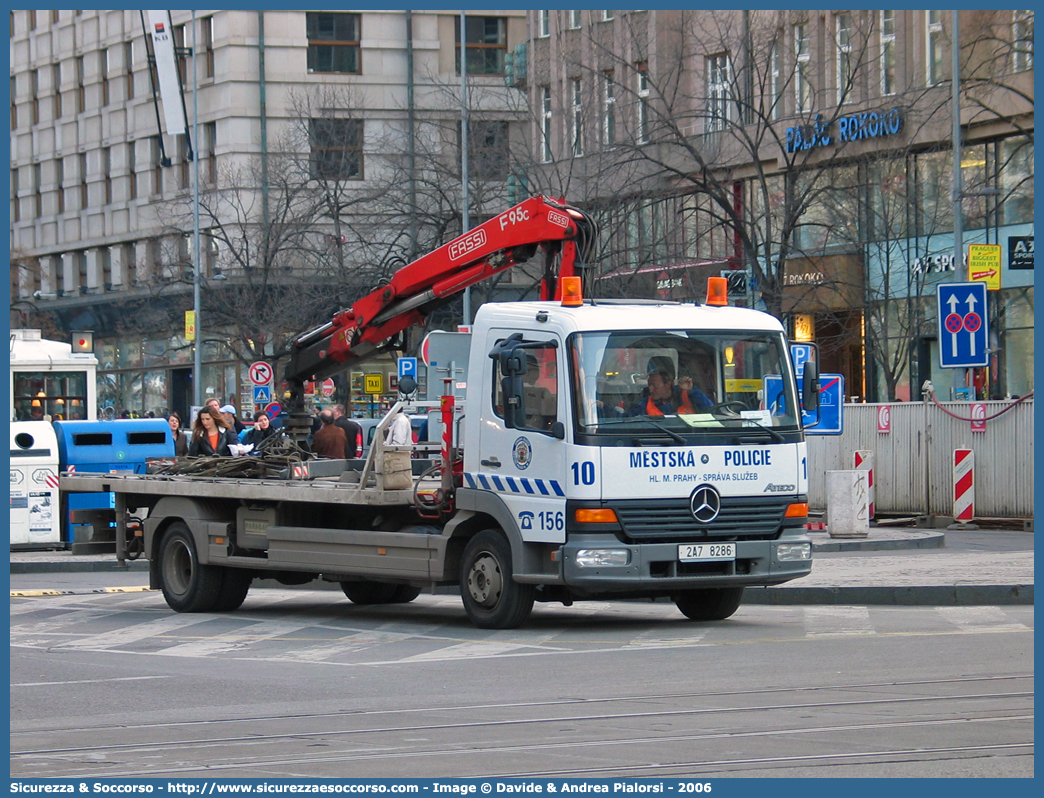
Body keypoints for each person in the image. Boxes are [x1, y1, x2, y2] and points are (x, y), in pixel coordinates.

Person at [627, 366, 713, 416]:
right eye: (649, 385)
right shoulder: (646, 403)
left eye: (655, 386)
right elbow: (629, 419)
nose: (650, 389)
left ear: (667, 384)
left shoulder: (688, 395)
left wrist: (692, 390)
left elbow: (711, 410)